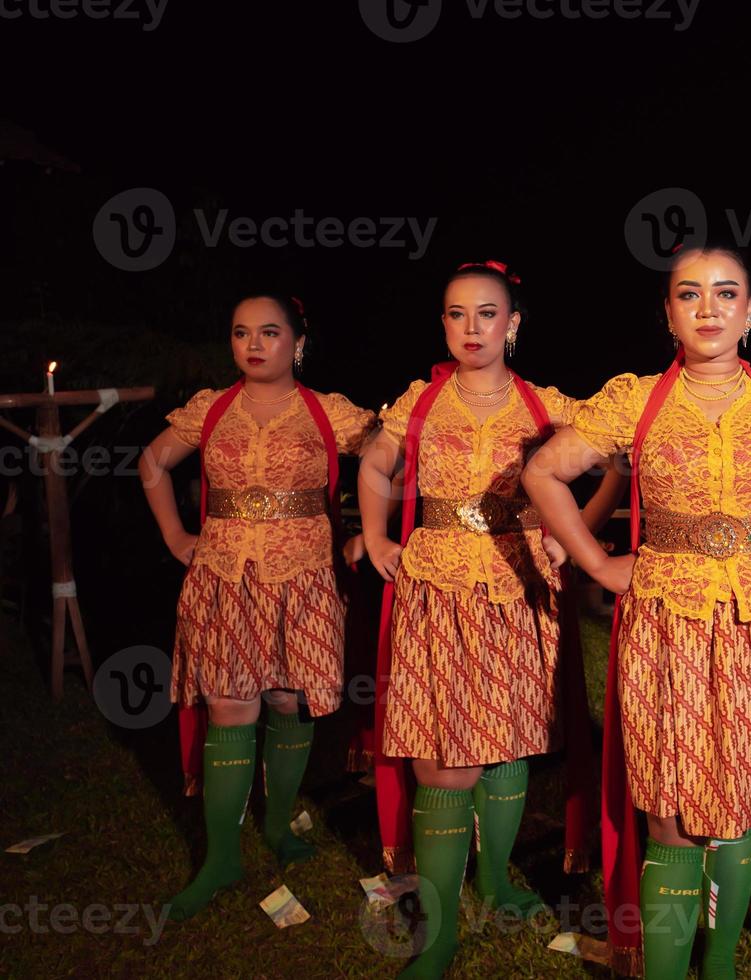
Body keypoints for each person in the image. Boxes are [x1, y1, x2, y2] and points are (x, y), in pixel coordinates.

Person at [522, 246, 751, 979]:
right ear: (668, 314)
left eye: (726, 294)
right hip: (667, 619)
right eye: (689, 295)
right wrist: (596, 562)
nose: (709, 308)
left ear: (750, 313)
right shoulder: (635, 400)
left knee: (749, 790)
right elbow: (544, 471)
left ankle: (719, 964)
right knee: (668, 802)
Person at [358, 261, 613, 979]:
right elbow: (377, 467)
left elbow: (613, 466)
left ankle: (496, 883)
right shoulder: (422, 399)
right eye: (456, 314)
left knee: (508, 739)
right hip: (436, 583)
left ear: (514, 324)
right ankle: (437, 936)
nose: (472, 329)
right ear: (442, 323)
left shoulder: (546, 405)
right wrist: (377, 537)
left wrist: (576, 541)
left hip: (517, 584)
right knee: (443, 759)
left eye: (487, 314)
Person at [140, 293, 376, 921]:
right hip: (224, 575)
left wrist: (370, 533)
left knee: (286, 698)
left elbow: (395, 464)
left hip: (303, 579)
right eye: (241, 332)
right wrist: (174, 537)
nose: (253, 344)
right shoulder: (211, 410)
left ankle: (276, 827)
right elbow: (153, 462)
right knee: (229, 704)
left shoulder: (330, 413)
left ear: (298, 343)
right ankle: (221, 857)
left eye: (269, 332)